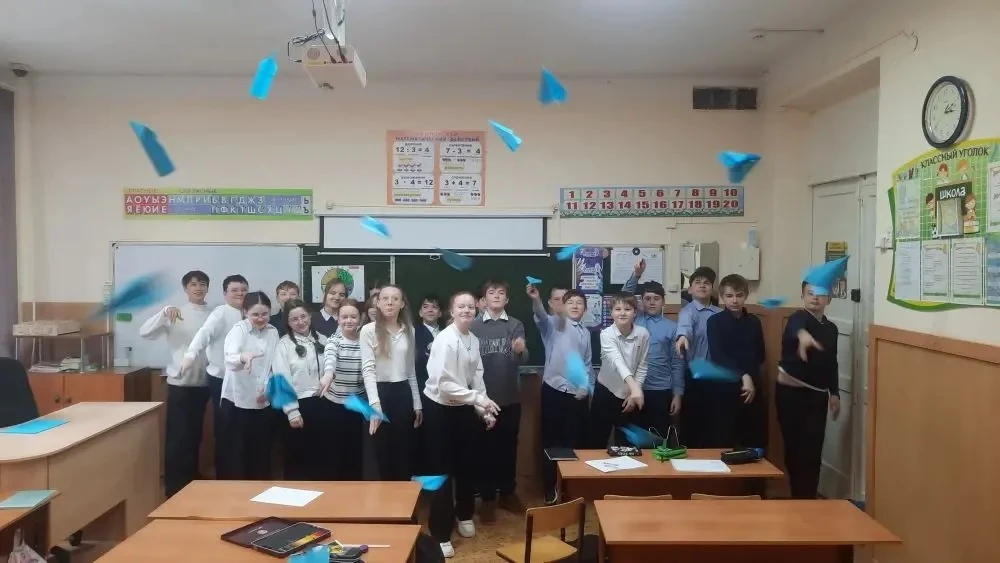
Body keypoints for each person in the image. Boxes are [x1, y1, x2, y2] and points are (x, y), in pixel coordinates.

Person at [422, 291, 501, 558]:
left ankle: (464, 514)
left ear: (476, 310)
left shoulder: (473, 340)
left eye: (470, 306)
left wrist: (484, 409)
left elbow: (477, 378)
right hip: (440, 410)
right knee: (442, 472)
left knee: (467, 464)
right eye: (461, 306)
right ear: (451, 311)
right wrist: (478, 399)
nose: (466, 310)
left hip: (464, 408)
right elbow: (444, 385)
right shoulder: (445, 340)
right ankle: (441, 533)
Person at [139, 270, 212, 497]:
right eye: (193, 284)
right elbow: (145, 333)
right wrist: (163, 313)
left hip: (205, 383)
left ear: (208, 288)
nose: (198, 288)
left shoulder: (213, 314)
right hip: (180, 384)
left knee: (195, 436)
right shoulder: (175, 313)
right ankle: (174, 487)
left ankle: (191, 479)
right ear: (185, 288)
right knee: (178, 438)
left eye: (202, 284)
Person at [527, 285, 592, 504]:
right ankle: (550, 488)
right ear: (562, 307)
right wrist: (536, 299)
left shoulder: (586, 332)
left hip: (577, 396)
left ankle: (569, 488)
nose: (575, 306)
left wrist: (586, 387)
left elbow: (588, 364)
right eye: (569, 302)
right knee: (552, 443)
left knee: (574, 442)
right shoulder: (555, 324)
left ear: (585, 309)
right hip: (554, 392)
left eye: (579, 303)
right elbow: (540, 316)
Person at [776, 282, 841, 499]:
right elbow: (798, 328)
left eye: (820, 294)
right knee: (794, 450)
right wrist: (803, 336)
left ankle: (808, 499)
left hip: (817, 396)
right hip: (790, 396)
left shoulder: (831, 329)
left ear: (829, 299)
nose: (815, 298)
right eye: (810, 293)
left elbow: (832, 362)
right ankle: (797, 496)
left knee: (813, 451)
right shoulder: (797, 318)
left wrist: (834, 392)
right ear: (802, 296)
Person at [472, 281, 529, 522]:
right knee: (484, 449)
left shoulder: (515, 324)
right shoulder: (473, 325)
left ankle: (507, 493)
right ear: (483, 300)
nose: (496, 296)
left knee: (508, 447)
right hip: (482, 399)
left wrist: (520, 350)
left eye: (501, 293)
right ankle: (487, 499)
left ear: (507, 300)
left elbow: (523, 359)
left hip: (510, 398)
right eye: (491, 293)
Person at [181, 274, 248, 472]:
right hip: (221, 379)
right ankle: (225, 476)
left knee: (242, 429)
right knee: (226, 428)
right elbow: (204, 334)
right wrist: (191, 354)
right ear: (225, 293)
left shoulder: (250, 313)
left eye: (243, 290)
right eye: (234, 290)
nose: (240, 293)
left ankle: (242, 475)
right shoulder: (221, 313)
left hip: (245, 381)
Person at [361, 284, 423, 481]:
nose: (390, 302)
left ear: (402, 304)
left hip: (402, 394)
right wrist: (375, 405)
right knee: (379, 454)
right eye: (385, 298)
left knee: (402, 452)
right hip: (378, 394)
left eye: (395, 299)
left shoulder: (409, 330)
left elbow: (410, 370)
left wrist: (417, 403)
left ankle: (402, 498)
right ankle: (382, 498)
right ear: (378, 303)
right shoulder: (368, 330)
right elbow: (368, 370)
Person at [217, 291, 280, 480]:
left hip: (262, 398)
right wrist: (243, 357)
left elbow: (273, 364)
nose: (260, 319)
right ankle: (234, 493)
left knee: (260, 451)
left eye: (264, 314)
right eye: (255, 314)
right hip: (236, 400)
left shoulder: (273, 332)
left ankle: (259, 489)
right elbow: (229, 358)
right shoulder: (239, 330)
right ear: (245, 312)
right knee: (235, 452)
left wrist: (267, 386)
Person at [622, 261, 685, 437]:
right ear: (641, 301)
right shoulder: (633, 320)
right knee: (633, 439)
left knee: (659, 439)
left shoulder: (673, 328)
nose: (651, 303)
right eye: (647, 298)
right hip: (633, 390)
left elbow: (677, 363)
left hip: (660, 391)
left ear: (663, 302)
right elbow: (624, 297)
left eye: (656, 299)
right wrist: (636, 275)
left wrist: (677, 394)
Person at [705, 274, 765, 448]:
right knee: (725, 437)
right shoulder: (714, 322)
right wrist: (743, 374)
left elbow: (760, 355)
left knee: (752, 437)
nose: (734, 300)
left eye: (739, 295)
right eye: (729, 296)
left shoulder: (754, 322)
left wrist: (750, 377)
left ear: (746, 296)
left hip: (752, 387)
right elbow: (718, 356)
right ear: (722, 297)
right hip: (725, 387)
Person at [271, 299, 327, 480]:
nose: (300, 322)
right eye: (294, 319)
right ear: (288, 322)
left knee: (321, 456)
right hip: (298, 406)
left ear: (310, 316)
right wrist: (292, 411)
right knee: (297, 457)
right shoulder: (284, 345)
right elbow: (281, 379)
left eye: (303, 316)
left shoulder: (322, 340)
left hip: (323, 404)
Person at [590, 292, 649, 448]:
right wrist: (635, 388)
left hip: (629, 396)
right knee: (597, 439)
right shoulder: (606, 334)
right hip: (605, 392)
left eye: (627, 309)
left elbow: (642, 365)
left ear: (635, 312)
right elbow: (617, 362)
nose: (622, 313)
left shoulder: (643, 334)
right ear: (611, 313)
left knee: (626, 444)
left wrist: (634, 392)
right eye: (618, 309)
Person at [674, 266, 721, 447]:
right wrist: (682, 337)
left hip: (716, 377)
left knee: (714, 425)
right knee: (692, 426)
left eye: (707, 283)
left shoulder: (720, 314)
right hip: (694, 378)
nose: (702, 285)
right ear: (690, 289)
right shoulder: (688, 312)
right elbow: (684, 327)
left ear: (712, 288)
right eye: (698, 282)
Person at [320, 299, 366, 480]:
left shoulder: (365, 340)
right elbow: (330, 360)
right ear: (338, 319)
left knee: (355, 453)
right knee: (334, 453)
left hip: (357, 404)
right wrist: (328, 374)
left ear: (360, 318)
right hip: (334, 404)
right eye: (344, 317)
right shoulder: (334, 341)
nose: (349, 321)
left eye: (353, 317)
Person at [414, 294, 443, 392]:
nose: (430, 310)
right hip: (422, 386)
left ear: (440, 313)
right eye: (425, 307)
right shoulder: (413, 333)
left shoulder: (447, 334)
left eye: (434, 307)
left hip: (444, 387)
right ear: (420, 313)